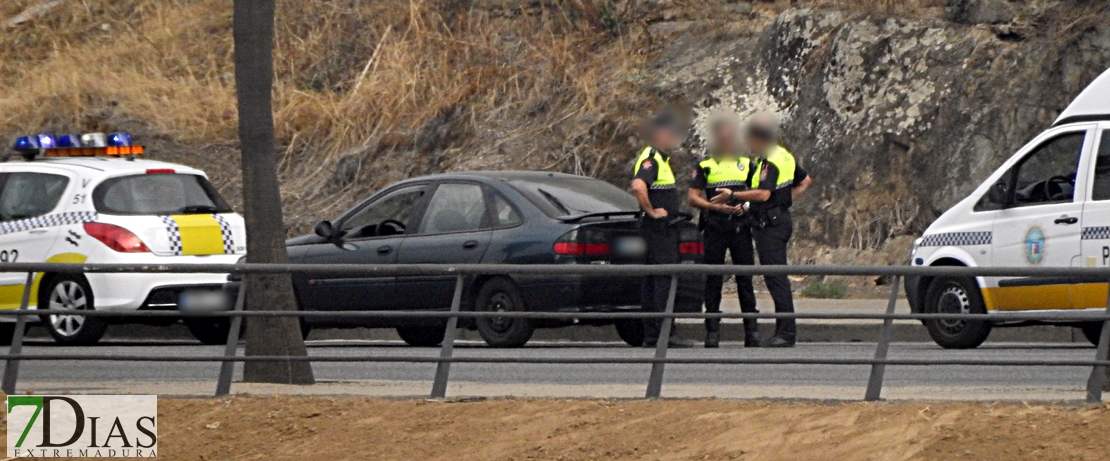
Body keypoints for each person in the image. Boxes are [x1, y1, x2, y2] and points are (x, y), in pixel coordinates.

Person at [717, 112, 812, 347]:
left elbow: (764, 193)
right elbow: (805, 180)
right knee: (776, 277)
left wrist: (734, 195)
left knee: (776, 278)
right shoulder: (784, 156)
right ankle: (785, 331)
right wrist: (783, 202)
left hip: (770, 225)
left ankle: (786, 334)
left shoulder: (769, 160)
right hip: (778, 218)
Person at [687, 113, 759, 348]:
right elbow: (693, 197)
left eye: (730, 137)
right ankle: (712, 332)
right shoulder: (705, 165)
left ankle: (752, 332)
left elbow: (760, 193)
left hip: (740, 226)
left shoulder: (747, 164)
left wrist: (745, 206)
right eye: (723, 138)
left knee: (745, 279)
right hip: (715, 227)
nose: (727, 142)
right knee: (713, 280)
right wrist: (715, 206)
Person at [631, 109, 696, 348]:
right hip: (659, 229)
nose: (674, 137)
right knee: (663, 280)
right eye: (671, 133)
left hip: (659, 229)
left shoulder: (660, 158)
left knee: (653, 280)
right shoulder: (651, 158)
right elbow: (639, 187)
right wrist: (652, 211)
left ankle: (653, 334)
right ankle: (665, 334)